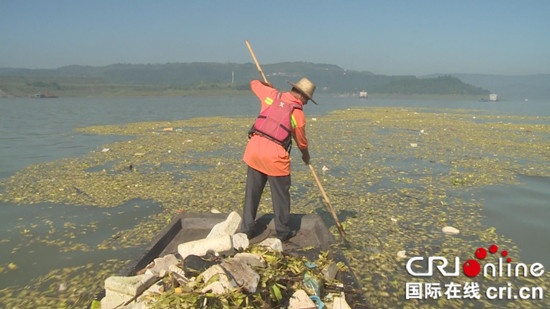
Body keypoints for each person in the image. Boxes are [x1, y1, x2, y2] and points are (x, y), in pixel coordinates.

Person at [241, 77, 317, 242]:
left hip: (254, 150)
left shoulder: (270, 95)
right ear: (302, 97)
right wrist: (306, 156)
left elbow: (253, 83)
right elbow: (301, 141)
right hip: (275, 158)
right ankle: (282, 231)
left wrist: (266, 85)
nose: (306, 104)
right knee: (281, 196)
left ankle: (246, 230)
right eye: (307, 100)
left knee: (251, 193)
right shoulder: (298, 114)